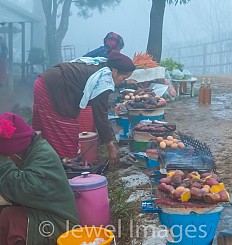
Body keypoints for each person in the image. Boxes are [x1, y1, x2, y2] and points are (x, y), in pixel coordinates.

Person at [32, 51, 135, 164]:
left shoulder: (104, 68)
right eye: (123, 77)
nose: (123, 81)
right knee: (65, 132)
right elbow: (100, 115)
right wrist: (110, 146)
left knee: (46, 130)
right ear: (114, 71)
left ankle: (45, 162)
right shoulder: (103, 82)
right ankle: (65, 168)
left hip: (45, 81)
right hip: (51, 87)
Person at [0, 112, 79, 245]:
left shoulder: (43, 156)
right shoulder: (30, 151)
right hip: (39, 212)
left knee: (10, 218)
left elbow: (22, 188)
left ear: (14, 151)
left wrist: (2, 164)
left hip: (59, 224)